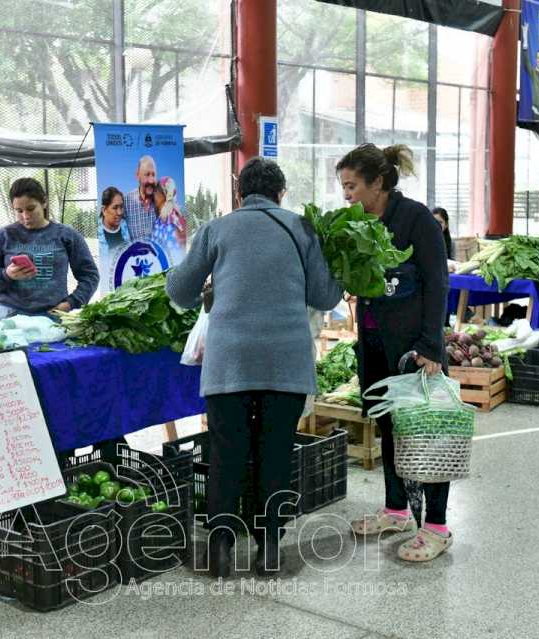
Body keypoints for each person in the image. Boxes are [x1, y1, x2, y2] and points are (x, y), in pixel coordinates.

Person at [166, 157, 343, 578]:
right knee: (275, 454)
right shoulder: (302, 229)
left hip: (229, 363)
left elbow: (179, 289)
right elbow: (324, 296)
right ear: (281, 193)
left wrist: (210, 288)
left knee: (227, 454)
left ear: (239, 191)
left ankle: (222, 551)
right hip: (286, 362)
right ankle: (268, 550)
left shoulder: (217, 228)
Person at [338, 143, 452, 562]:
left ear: (378, 182)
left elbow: (439, 283)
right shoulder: (358, 223)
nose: (347, 194)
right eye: (343, 187)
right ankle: (397, 510)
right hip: (373, 343)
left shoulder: (416, 218)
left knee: (426, 434)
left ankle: (437, 526)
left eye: (352, 186)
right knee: (389, 429)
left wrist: (431, 345)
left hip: (412, 349)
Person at [0, 178, 99, 322]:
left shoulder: (67, 235)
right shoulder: (2, 237)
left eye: (31, 209)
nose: (25, 216)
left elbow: (90, 276)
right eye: (19, 211)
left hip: (53, 316)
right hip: (10, 317)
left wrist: (70, 303)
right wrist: (7, 274)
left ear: (44, 202)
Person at [97, 186, 130, 292]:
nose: (120, 212)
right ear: (104, 210)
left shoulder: (126, 227)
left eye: (121, 207)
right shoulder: (96, 234)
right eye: (115, 208)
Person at [151, 176, 187, 265]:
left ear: (165, 193)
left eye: (156, 191)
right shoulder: (158, 221)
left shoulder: (175, 219)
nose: (153, 195)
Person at [123, 155, 159, 242]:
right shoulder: (126, 202)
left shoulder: (162, 202)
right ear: (137, 175)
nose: (151, 180)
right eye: (147, 175)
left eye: (153, 175)